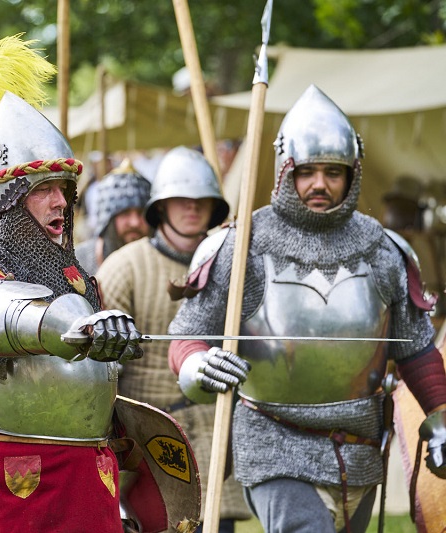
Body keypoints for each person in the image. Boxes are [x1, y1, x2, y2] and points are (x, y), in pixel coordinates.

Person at [168, 85, 446, 533]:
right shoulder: (242, 248)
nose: (320, 184)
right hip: (273, 439)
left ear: (352, 174)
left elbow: (415, 350)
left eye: (332, 172)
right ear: (285, 172)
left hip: (358, 448)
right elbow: (188, 333)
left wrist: (440, 417)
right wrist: (199, 364)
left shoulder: (384, 249)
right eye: (308, 171)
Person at [0, 36, 143, 532]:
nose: (60, 202)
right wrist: (69, 324)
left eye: (64, 189)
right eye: (43, 189)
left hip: (85, 475)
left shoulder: (75, 276)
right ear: (4, 198)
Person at [95, 146, 249, 532]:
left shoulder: (234, 266)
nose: (192, 208)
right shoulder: (124, 267)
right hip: (145, 441)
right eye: (182, 199)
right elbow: (99, 372)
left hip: (215, 431)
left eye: (202, 200)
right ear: (161, 206)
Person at [74, 158, 151, 274]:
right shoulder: (79, 262)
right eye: (125, 213)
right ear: (107, 219)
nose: (135, 222)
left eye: (141, 213)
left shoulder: (159, 262)